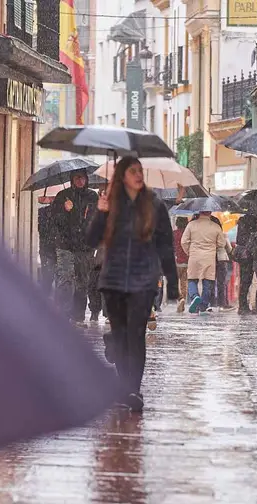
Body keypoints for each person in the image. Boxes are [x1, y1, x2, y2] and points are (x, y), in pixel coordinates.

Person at [87, 157, 179, 412]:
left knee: (136, 335)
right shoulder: (110, 204)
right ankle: (122, 379)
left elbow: (165, 244)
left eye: (140, 170)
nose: (139, 175)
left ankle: (132, 390)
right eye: (132, 171)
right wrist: (101, 212)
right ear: (121, 176)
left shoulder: (155, 205)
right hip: (114, 278)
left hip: (142, 279)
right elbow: (92, 240)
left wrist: (172, 281)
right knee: (120, 335)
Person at [51, 171, 100, 324]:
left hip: (85, 247)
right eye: (77, 178)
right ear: (72, 179)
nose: (80, 181)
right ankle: (64, 314)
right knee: (65, 280)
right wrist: (65, 211)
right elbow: (55, 219)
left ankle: (78, 316)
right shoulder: (62, 196)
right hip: (65, 246)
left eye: (83, 178)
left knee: (82, 282)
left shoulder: (92, 197)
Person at [181, 211, 226, 314]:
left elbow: (184, 241)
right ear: (210, 212)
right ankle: (203, 305)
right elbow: (221, 243)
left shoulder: (191, 225)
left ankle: (195, 296)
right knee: (208, 282)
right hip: (209, 257)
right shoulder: (215, 226)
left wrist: (189, 251)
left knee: (192, 279)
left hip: (194, 256)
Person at [233, 211, 257, 315]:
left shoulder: (241, 220)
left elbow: (239, 239)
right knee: (248, 280)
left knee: (244, 280)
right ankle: (245, 306)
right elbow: (255, 237)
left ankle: (242, 305)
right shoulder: (254, 221)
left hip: (242, 253)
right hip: (249, 253)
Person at [37, 202, 58, 298]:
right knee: (50, 278)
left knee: (48, 278)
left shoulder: (41, 212)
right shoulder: (42, 212)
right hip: (49, 250)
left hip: (48, 250)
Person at [215, 221, 234, 310]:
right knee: (222, 282)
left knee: (209, 282)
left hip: (211, 259)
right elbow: (229, 249)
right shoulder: (223, 234)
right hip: (222, 259)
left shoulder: (209, 234)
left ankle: (211, 302)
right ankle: (222, 303)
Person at [173, 216, 191, 312]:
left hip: (176, 261)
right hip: (187, 261)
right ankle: (183, 298)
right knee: (184, 283)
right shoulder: (188, 234)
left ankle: (180, 298)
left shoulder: (174, 234)